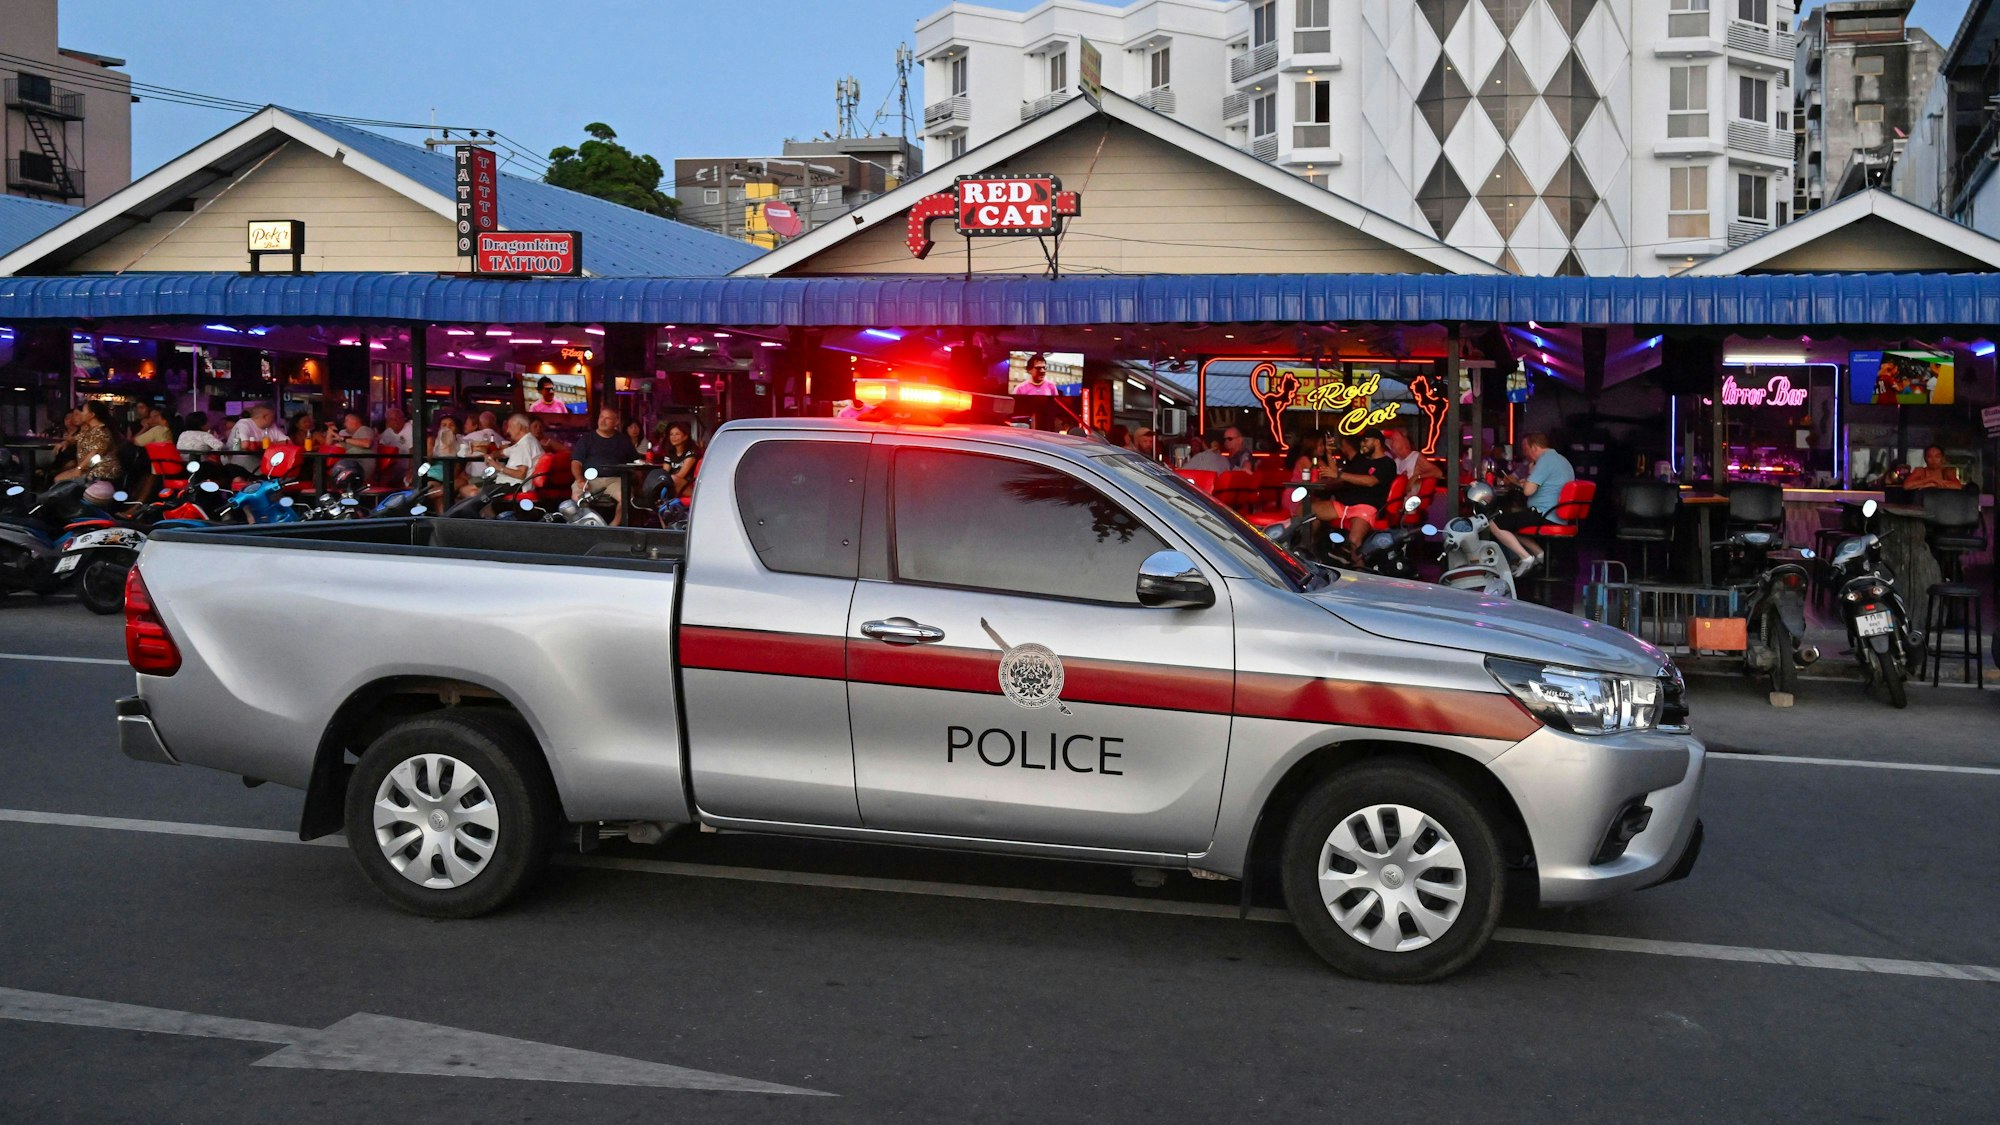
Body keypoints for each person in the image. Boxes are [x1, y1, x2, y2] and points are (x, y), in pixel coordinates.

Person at [1489, 432, 1575, 577]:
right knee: (1513, 525)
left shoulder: (1545, 460)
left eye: (1526, 449)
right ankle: (1540, 554)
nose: (1525, 453)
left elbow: (1528, 491)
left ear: (1534, 447)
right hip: (1558, 514)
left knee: (1493, 521)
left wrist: (1530, 475)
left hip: (1544, 514)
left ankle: (1526, 557)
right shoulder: (1560, 459)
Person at [1312, 427, 1396, 562]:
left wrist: (1339, 474)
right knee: (1307, 511)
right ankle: (1310, 553)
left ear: (1377, 442)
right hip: (1344, 505)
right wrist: (1329, 453)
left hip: (1365, 506)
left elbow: (1370, 481)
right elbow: (1338, 477)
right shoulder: (1362, 460)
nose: (1362, 444)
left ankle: (1360, 571)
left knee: (1354, 540)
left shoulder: (1387, 463)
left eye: (1365, 440)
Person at [568, 407, 640, 524]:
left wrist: (639, 484)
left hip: (615, 480)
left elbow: (635, 462)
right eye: (601, 417)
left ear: (616, 422)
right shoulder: (586, 440)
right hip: (590, 479)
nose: (602, 421)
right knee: (577, 497)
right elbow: (576, 463)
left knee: (626, 499)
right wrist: (580, 480)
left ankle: (612, 529)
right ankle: (589, 525)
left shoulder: (623, 440)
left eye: (607, 418)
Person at [476, 413, 543, 491]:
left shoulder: (525, 445)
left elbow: (521, 474)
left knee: (471, 492)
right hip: (512, 483)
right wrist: (493, 455)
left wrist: (497, 466)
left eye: (510, 426)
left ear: (519, 427)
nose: (507, 430)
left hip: (516, 486)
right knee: (473, 489)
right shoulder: (526, 441)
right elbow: (504, 452)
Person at [658, 422, 702, 501]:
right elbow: (664, 473)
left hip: (689, 486)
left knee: (673, 479)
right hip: (673, 484)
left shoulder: (691, 453)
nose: (673, 437)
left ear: (685, 437)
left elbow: (681, 475)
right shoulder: (670, 454)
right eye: (671, 434)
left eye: (677, 434)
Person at [1184, 425, 1253, 473]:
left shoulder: (1244, 453)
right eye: (1225, 439)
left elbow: (1246, 462)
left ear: (1240, 440)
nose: (1226, 442)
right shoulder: (1225, 457)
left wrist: (1245, 468)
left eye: (1230, 439)